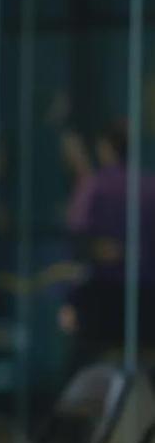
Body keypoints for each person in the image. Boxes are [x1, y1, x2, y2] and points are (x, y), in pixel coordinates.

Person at [59, 121, 155, 359]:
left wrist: (69, 298)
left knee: (89, 361)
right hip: (145, 294)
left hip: (101, 296)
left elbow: (77, 236)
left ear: (105, 147)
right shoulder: (149, 186)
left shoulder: (94, 186)